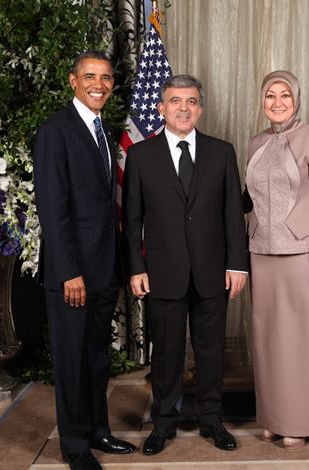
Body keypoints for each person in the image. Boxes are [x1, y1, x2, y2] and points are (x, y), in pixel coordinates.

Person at [122, 74, 248, 456]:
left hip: (213, 272)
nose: (183, 108)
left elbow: (232, 213)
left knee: (211, 353)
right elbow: (132, 219)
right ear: (162, 108)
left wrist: (237, 265)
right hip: (162, 273)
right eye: (175, 101)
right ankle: (163, 423)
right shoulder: (141, 155)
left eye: (191, 101)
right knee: (166, 355)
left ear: (200, 109)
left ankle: (212, 420)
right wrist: (136, 267)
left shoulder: (221, 152)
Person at [33, 50, 136, 470]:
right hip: (73, 273)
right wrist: (69, 271)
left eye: (106, 78)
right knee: (72, 361)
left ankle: (98, 431)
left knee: (96, 356)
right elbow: (52, 209)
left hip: (104, 267)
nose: (99, 84)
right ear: (73, 81)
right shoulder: (55, 130)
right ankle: (74, 445)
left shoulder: (104, 130)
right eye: (90, 77)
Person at [245, 71, 309, 450]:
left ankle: (300, 420)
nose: (277, 102)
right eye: (270, 95)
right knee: (268, 339)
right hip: (260, 252)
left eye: (285, 95)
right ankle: (273, 417)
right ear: (262, 101)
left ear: (296, 98)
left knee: (302, 340)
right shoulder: (255, 142)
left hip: (302, 253)